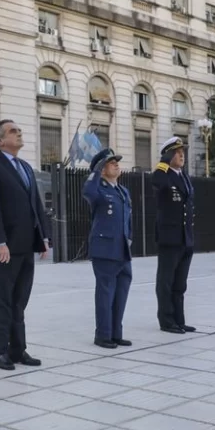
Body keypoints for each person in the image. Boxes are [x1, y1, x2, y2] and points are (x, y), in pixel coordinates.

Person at [0, 119, 49, 371]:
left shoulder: (26, 168)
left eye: (19, 130)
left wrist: (43, 238)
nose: (19, 134)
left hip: (26, 244)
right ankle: (0, 351)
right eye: (13, 131)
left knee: (20, 300)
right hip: (4, 247)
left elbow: (35, 205)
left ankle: (19, 349)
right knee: (2, 299)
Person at [82, 148, 133, 349]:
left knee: (121, 292)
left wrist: (129, 238)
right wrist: (95, 170)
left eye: (116, 162)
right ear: (102, 169)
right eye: (111, 163)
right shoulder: (98, 189)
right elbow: (87, 192)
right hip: (104, 249)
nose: (116, 165)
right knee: (105, 293)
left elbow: (128, 219)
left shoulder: (122, 191)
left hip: (122, 249)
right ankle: (103, 335)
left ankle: (115, 333)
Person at [151, 137, 196, 334]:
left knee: (180, 283)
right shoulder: (163, 175)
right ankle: (166, 320)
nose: (181, 155)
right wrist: (163, 162)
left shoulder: (183, 176)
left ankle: (179, 319)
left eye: (182, 152)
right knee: (166, 281)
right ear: (169, 154)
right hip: (169, 238)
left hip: (185, 238)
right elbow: (156, 181)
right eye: (177, 152)